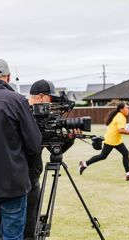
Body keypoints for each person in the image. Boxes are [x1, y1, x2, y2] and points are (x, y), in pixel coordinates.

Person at [0, 58, 42, 240]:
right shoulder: (17, 101)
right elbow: (34, 144)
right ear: (8, 77)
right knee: (12, 236)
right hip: (13, 184)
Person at [25, 79, 76, 240]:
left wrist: (68, 137)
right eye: (51, 99)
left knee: (31, 225)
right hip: (20, 179)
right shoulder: (20, 113)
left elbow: (54, 146)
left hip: (32, 179)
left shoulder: (43, 118)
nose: (52, 104)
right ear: (41, 97)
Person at [79, 102, 129, 181]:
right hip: (111, 139)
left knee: (125, 153)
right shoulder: (121, 117)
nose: (128, 109)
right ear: (121, 109)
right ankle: (84, 164)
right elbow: (120, 130)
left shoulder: (119, 115)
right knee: (103, 156)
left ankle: (128, 174)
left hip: (115, 139)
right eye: (126, 108)